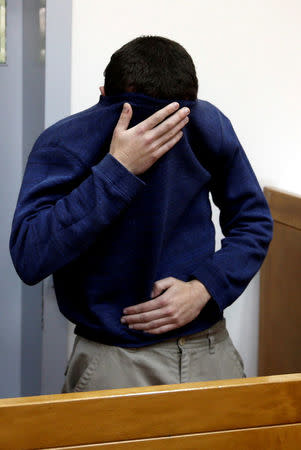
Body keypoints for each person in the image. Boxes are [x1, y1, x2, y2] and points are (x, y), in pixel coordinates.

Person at [9, 36, 273, 393]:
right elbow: (30, 256)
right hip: (113, 361)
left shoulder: (206, 123)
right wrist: (117, 170)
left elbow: (253, 221)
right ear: (106, 100)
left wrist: (204, 288)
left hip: (209, 350)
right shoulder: (67, 141)